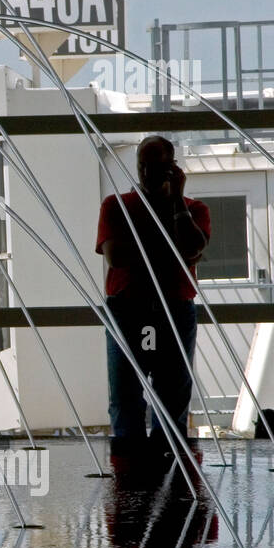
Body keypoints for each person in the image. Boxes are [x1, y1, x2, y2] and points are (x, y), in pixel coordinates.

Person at [95, 135, 210, 464]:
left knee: (172, 395)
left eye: (155, 167)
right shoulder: (116, 205)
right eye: (142, 166)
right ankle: (134, 467)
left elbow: (188, 248)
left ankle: (164, 466)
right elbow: (116, 257)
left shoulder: (191, 209)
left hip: (169, 307)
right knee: (126, 394)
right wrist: (170, 247)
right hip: (132, 306)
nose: (146, 174)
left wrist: (175, 203)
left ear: (172, 168)